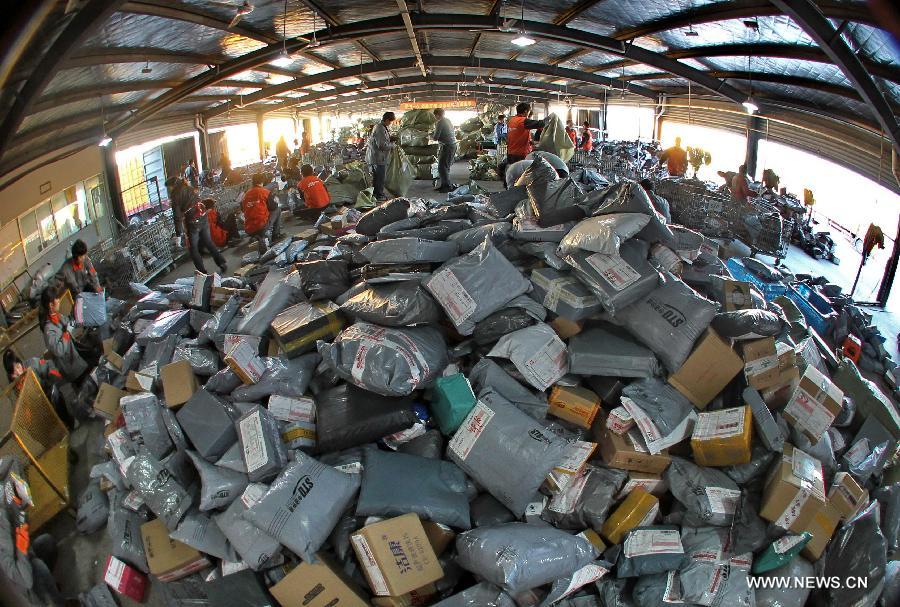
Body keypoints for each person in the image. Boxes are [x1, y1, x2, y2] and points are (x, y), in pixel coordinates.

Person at [0, 456, 67, 607]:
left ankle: (45, 590)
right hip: (18, 583)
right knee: (38, 567)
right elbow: (23, 579)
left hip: (20, 554)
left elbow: (12, 460)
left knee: (47, 543)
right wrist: (22, 541)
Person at [167, 176, 228, 275]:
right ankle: (222, 263)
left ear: (172, 186)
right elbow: (199, 199)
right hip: (203, 217)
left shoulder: (175, 195)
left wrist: (178, 234)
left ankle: (202, 273)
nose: (168, 190)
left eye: (168, 187)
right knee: (208, 242)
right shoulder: (189, 187)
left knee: (193, 248)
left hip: (192, 222)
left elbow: (177, 216)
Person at [40, 285, 93, 383]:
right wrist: (66, 332)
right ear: (51, 305)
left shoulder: (58, 316)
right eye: (57, 299)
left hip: (76, 356)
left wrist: (76, 310)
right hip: (71, 366)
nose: (59, 300)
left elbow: (69, 322)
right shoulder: (49, 329)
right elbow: (58, 350)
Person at [504, 103, 545, 188]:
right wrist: (552, 118)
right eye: (528, 111)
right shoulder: (523, 121)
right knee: (522, 177)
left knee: (511, 175)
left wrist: (530, 142)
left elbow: (516, 134)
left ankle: (509, 192)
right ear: (526, 111)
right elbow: (540, 124)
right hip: (520, 154)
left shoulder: (512, 120)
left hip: (511, 152)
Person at [366, 111, 397, 201]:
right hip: (378, 157)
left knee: (377, 177)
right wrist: (393, 145)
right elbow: (382, 145)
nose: (390, 124)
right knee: (380, 177)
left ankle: (376, 194)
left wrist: (391, 138)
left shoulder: (381, 127)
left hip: (376, 157)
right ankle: (379, 195)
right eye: (390, 122)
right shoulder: (380, 128)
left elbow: (382, 139)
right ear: (387, 120)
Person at [242, 173, 275, 254]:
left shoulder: (245, 195)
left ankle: (256, 236)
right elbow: (273, 207)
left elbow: (243, 209)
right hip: (261, 226)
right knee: (277, 210)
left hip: (248, 228)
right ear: (262, 181)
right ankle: (275, 234)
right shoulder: (265, 192)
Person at [432, 108, 457, 193]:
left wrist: (429, 135)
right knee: (445, 166)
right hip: (452, 145)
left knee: (442, 167)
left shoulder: (440, 122)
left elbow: (436, 137)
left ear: (437, 115)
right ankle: (444, 184)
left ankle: (447, 186)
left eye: (435, 116)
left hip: (447, 146)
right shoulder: (447, 120)